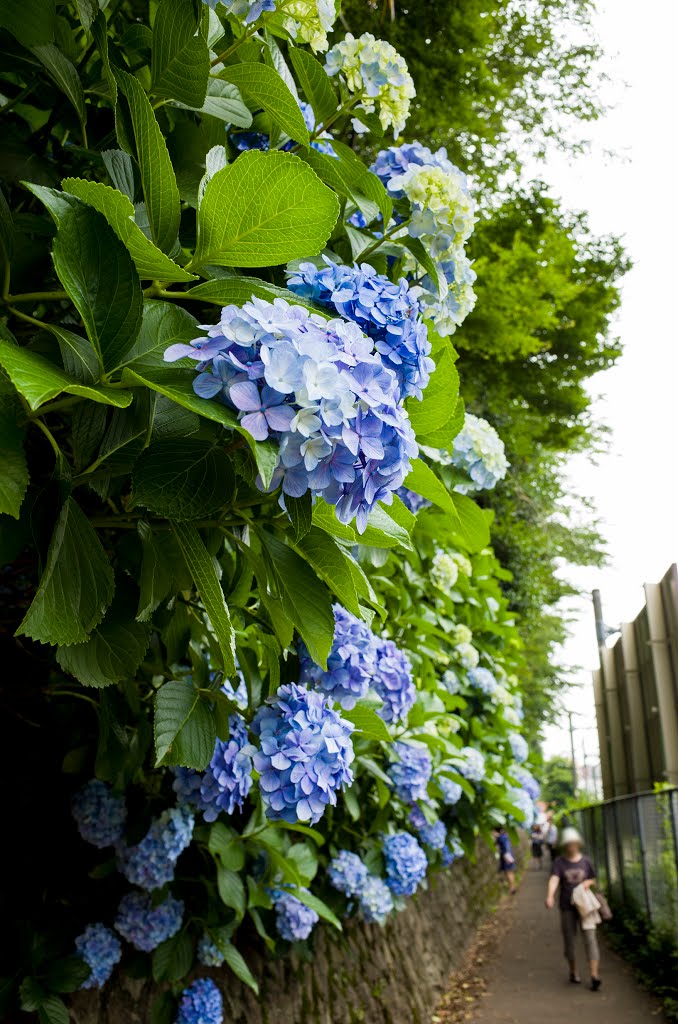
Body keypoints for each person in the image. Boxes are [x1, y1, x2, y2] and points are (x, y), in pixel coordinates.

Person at [545, 826, 602, 992]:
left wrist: (588, 883)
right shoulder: (559, 863)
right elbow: (554, 879)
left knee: (590, 939)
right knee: (569, 941)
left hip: (585, 907)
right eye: (568, 844)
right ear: (565, 845)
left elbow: (594, 879)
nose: (571, 847)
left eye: (574, 844)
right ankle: (573, 971)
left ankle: (594, 976)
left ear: (578, 844)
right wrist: (550, 896)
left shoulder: (586, 861)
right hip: (567, 907)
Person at [493, 825, 517, 894]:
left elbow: (506, 848)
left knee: (508, 872)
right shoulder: (504, 836)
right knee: (510, 872)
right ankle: (512, 886)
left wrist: (506, 857)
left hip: (506, 857)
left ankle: (512, 888)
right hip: (507, 856)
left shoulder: (502, 838)